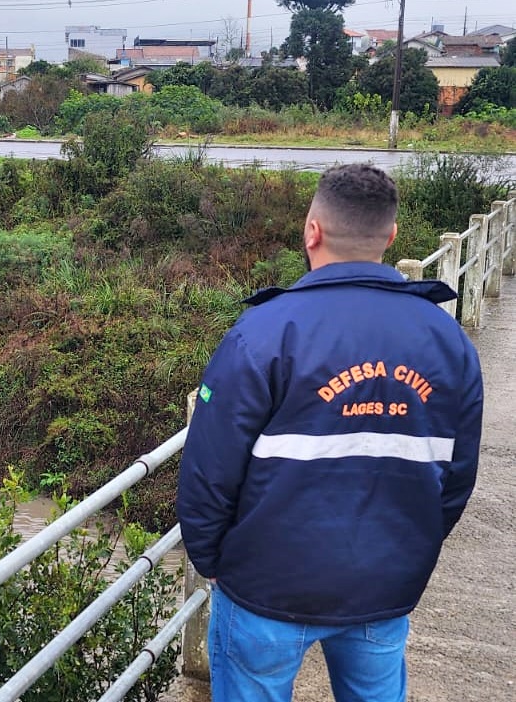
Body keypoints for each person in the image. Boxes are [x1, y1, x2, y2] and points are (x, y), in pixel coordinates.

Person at [177, 163, 483, 702]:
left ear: (312, 231)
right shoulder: (447, 338)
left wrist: (210, 559)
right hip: (384, 584)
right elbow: (457, 477)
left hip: (265, 588)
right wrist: (410, 549)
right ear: (390, 235)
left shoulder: (263, 332)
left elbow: (209, 469)